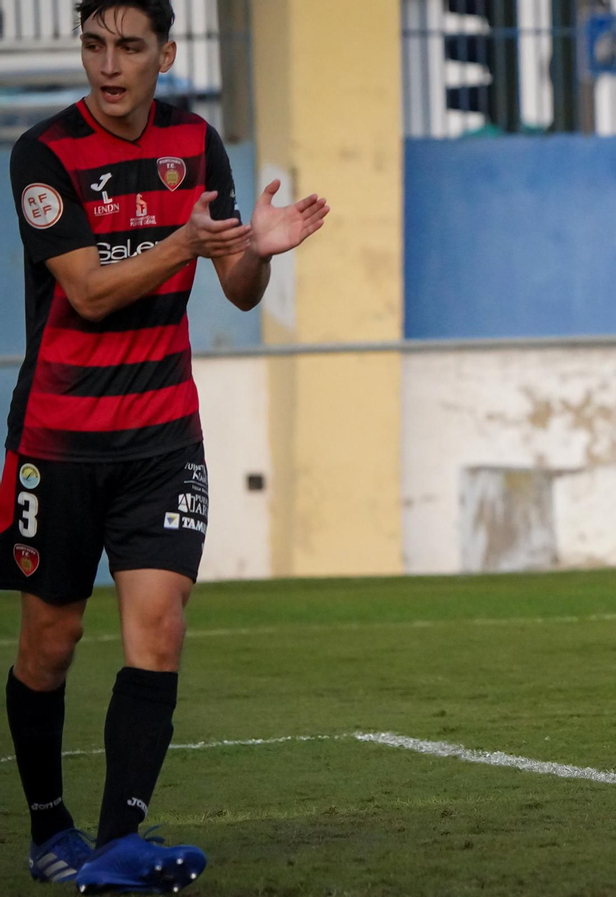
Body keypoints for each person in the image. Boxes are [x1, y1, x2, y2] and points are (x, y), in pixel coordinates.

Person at [2, 0, 329, 889]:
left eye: (128, 47)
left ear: (167, 54)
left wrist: (259, 251)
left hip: (162, 437)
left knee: (160, 625)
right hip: (59, 441)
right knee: (50, 642)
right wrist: (183, 240)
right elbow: (88, 291)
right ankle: (49, 827)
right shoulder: (43, 154)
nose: (108, 66)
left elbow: (238, 288)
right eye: (94, 45)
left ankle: (116, 846)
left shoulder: (196, 144)